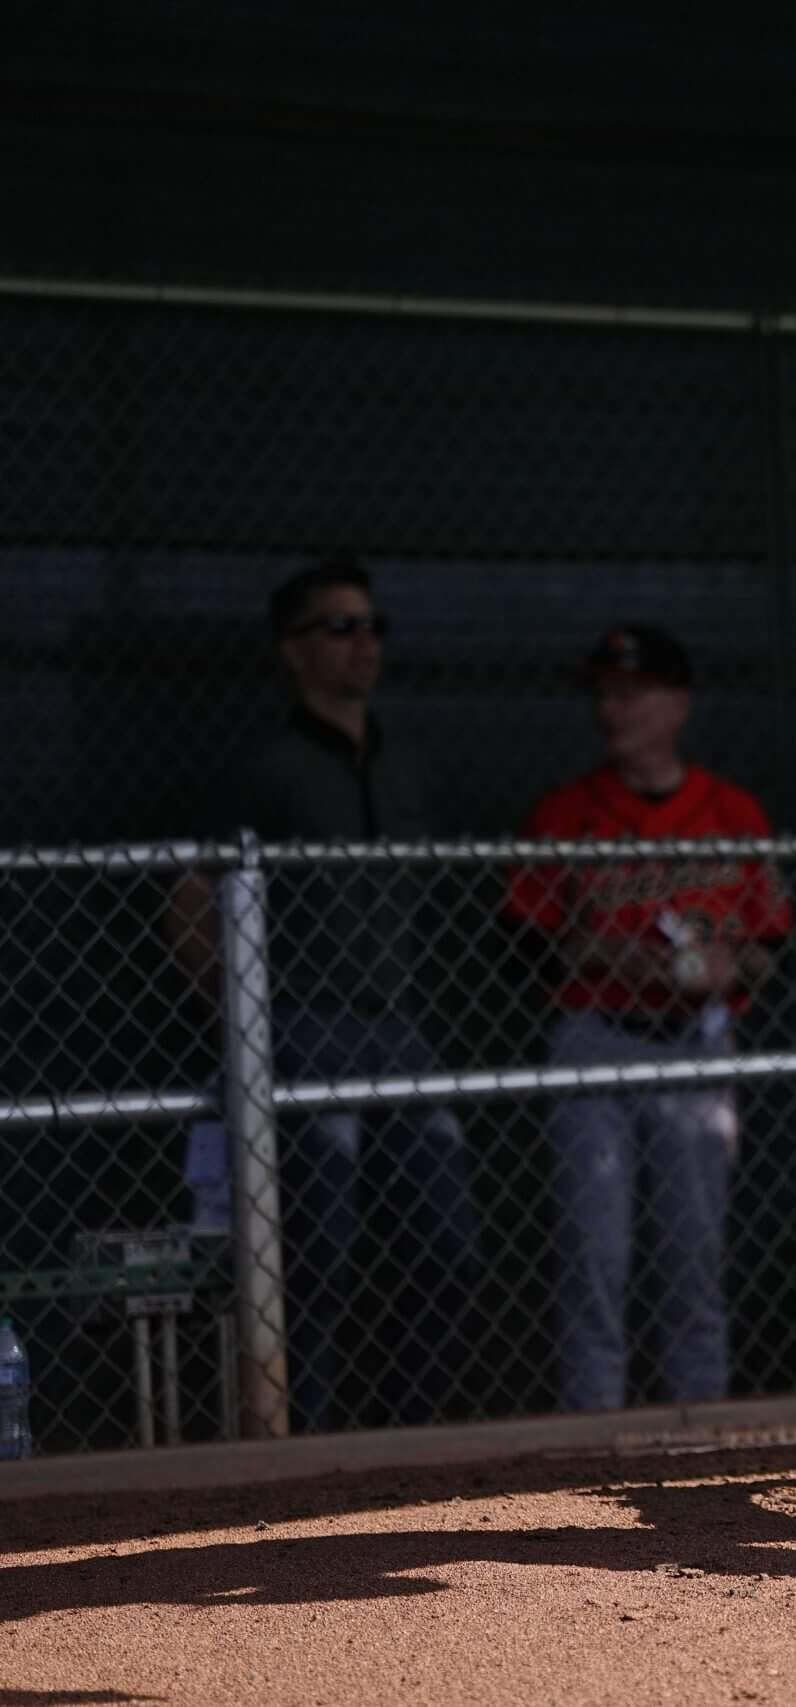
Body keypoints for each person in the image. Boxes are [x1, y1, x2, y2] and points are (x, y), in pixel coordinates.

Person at [164, 557, 481, 1432]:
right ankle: (303, 1442)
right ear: (294, 649)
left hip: (399, 1030)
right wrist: (251, 1024)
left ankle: (402, 1435)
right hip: (304, 1028)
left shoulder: (409, 765)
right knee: (318, 1251)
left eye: (372, 625)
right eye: (339, 627)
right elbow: (188, 903)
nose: (362, 643)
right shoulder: (265, 769)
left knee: (449, 1246)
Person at [505, 625, 791, 1412]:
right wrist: (601, 953)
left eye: (631, 691)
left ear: (677, 703)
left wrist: (735, 966)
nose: (613, 707)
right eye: (604, 692)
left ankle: (700, 1434)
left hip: (696, 1045)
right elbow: (518, 948)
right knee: (594, 1254)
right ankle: (594, 1434)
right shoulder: (568, 811)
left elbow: (778, 947)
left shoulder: (731, 810)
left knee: (692, 1257)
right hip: (597, 1039)